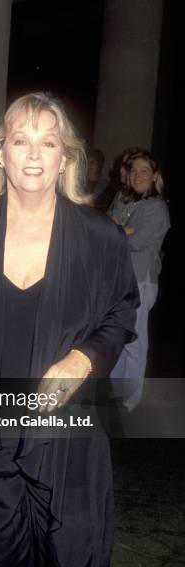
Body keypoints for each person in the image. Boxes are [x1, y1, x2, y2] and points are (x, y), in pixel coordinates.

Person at [0, 92, 139, 567]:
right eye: (20, 140)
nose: (33, 153)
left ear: (65, 157)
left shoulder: (100, 237)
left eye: (48, 142)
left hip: (65, 435)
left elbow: (121, 312)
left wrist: (85, 358)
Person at [109, 150, 170, 410]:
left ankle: (130, 398)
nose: (138, 175)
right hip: (116, 279)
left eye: (144, 171)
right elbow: (105, 230)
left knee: (134, 341)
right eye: (134, 170)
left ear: (155, 175)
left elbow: (136, 241)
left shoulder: (157, 208)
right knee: (117, 336)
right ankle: (114, 389)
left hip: (141, 281)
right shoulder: (121, 200)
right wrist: (122, 229)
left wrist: (118, 228)